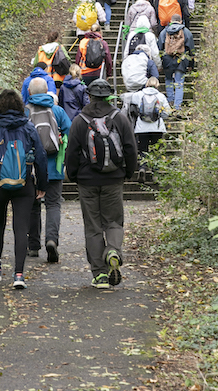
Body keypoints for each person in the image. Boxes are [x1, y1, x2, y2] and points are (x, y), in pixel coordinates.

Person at [65, 78, 138, 289]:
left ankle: (100, 275)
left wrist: (74, 175)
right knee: (114, 221)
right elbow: (130, 148)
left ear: (89, 95)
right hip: (113, 179)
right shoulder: (120, 118)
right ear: (109, 96)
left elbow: (72, 152)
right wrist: (127, 173)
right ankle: (113, 250)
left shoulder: (80, 121)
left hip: (87, 181)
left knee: (93, 226)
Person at [0, 89, 48, 289]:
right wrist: (42, 185)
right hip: (25, 184)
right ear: (19, 106)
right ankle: (19, 274)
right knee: (21, 228)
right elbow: (40, 157)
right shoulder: (29, 127)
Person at [25, 78, 71, 263]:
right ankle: (51, 240)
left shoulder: (25, 111)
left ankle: (33, 246)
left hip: (31, 168)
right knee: (53, 205)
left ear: (29, 92)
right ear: (47, 91)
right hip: (53, 167)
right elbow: (70, 132)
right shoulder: (57, 110)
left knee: (32, 206)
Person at [122, 77, 171, 180]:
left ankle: (142, 168)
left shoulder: (138, 95)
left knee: (143, 149)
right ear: (157, 85)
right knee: (155, 150)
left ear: (146, 84)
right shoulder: (161, 96)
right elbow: (167, 113)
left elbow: (124, 98)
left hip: (141, 127)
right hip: (157, 128)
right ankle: (155, 173)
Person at [157, 22, 194, 109]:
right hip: (181, 59)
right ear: (180, 21)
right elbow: (191, 49)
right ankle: (177, 106)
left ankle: (170, 100)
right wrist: (191, 64)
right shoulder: (186, 31)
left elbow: (159, 48)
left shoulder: (164, 32)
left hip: (167, 60)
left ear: (171, 21)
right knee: (179, 83)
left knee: (168, 79)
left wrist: (160, 63)